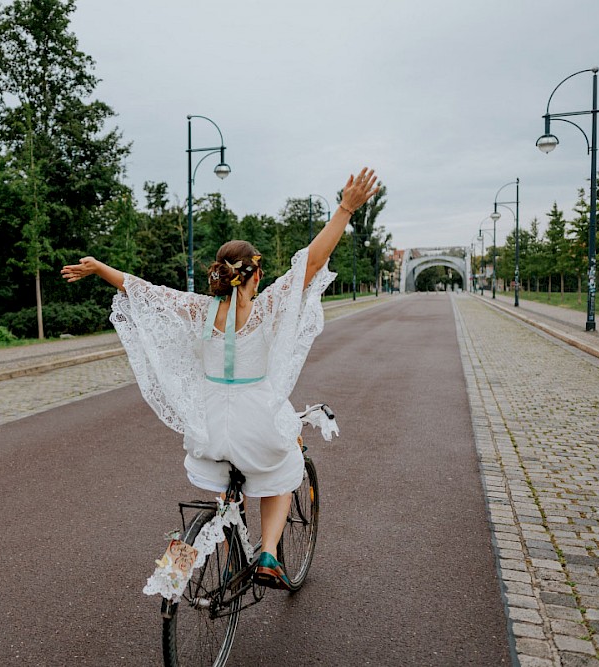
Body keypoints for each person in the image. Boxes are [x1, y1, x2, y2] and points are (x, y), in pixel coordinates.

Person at [62, 168, 379, 588]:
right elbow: (314, 260)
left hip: (208, 424)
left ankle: (181, 576)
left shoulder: (198, 310)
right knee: (285, 466)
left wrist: (101, 268)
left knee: (225, 487)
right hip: (256, 419)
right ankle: (267, 554)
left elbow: (143, 291)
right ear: (254, 275)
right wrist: (345, 208)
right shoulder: (265, 309)